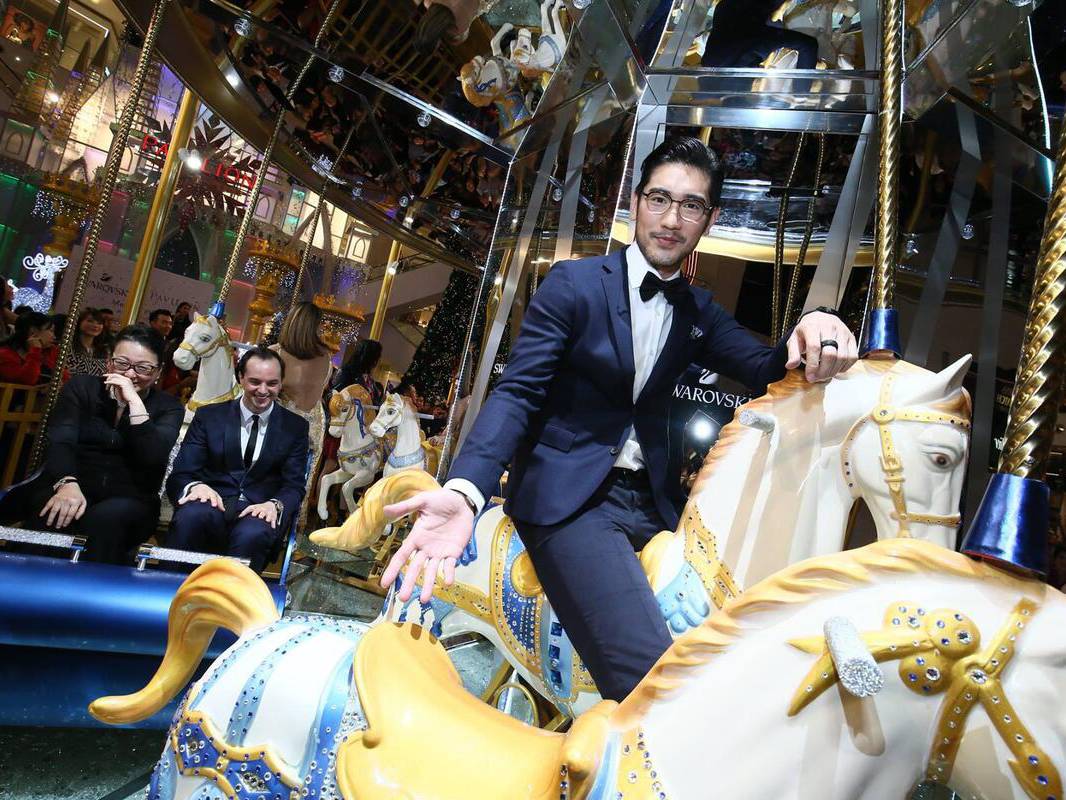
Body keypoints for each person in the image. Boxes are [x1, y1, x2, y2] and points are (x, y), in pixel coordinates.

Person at [381, 137, 859, 702]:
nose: (672, 219)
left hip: (652, 503)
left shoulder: (697, 310)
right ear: (636, 204)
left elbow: (765, 367)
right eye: (660, 199)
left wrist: (818, 321)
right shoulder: (574, 285)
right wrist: (466, 490)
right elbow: (519, 392)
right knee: (654, 686)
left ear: (709, 220)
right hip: (570, 499)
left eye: (691, 206)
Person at [27, 325, 183, 563]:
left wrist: (135, 403)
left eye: (143, 368)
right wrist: (67, 483)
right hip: (72, 483)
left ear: (158, 371)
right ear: (109, 362)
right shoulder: (82, 388)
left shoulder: (169, 407)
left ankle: (91, 585)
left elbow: (153, 455)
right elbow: (61, 440)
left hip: (131, 498)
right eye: (122, 363)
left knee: (106, 519)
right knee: (51, 511)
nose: (130, 374)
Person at [166, 347, 309, 573]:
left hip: (259, 508)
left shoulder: (295, 427)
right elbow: (182, 472)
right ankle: (171, 588)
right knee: (192, 516)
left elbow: (294, 485)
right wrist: (195, 486)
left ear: (281, 383)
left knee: (254, 533)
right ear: (240, 377)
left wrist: (275, 504)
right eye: (255, 382)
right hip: (211, 501)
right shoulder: (209, 416)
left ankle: (233, 595)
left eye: (272, 383)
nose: (263, 390)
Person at [270, 301, 333, 524]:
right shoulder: (326, 357)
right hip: (314, 422)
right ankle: (294, 522)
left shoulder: (275, 353)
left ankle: (269, 517)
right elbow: (321, 388)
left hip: (283, 421)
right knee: (303, 477)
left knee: (272, 474)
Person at [702, 0, 819, 72]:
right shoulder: (710, 63)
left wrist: (801, 92)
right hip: (731, 9)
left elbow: (808, 45)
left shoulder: (758, 43)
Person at [0, 311, 56, 384]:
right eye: (51, 331)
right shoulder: (5, 355)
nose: (54, 337)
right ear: (33, 331)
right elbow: (27, 381)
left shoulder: (46, 352)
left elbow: (63, 378)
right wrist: (35, 350)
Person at [69, 308, 110, 375]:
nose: (95, 326)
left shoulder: (105, 350)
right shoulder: (69, 347)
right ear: (79, 322)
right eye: (90, 321)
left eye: (99, 323)